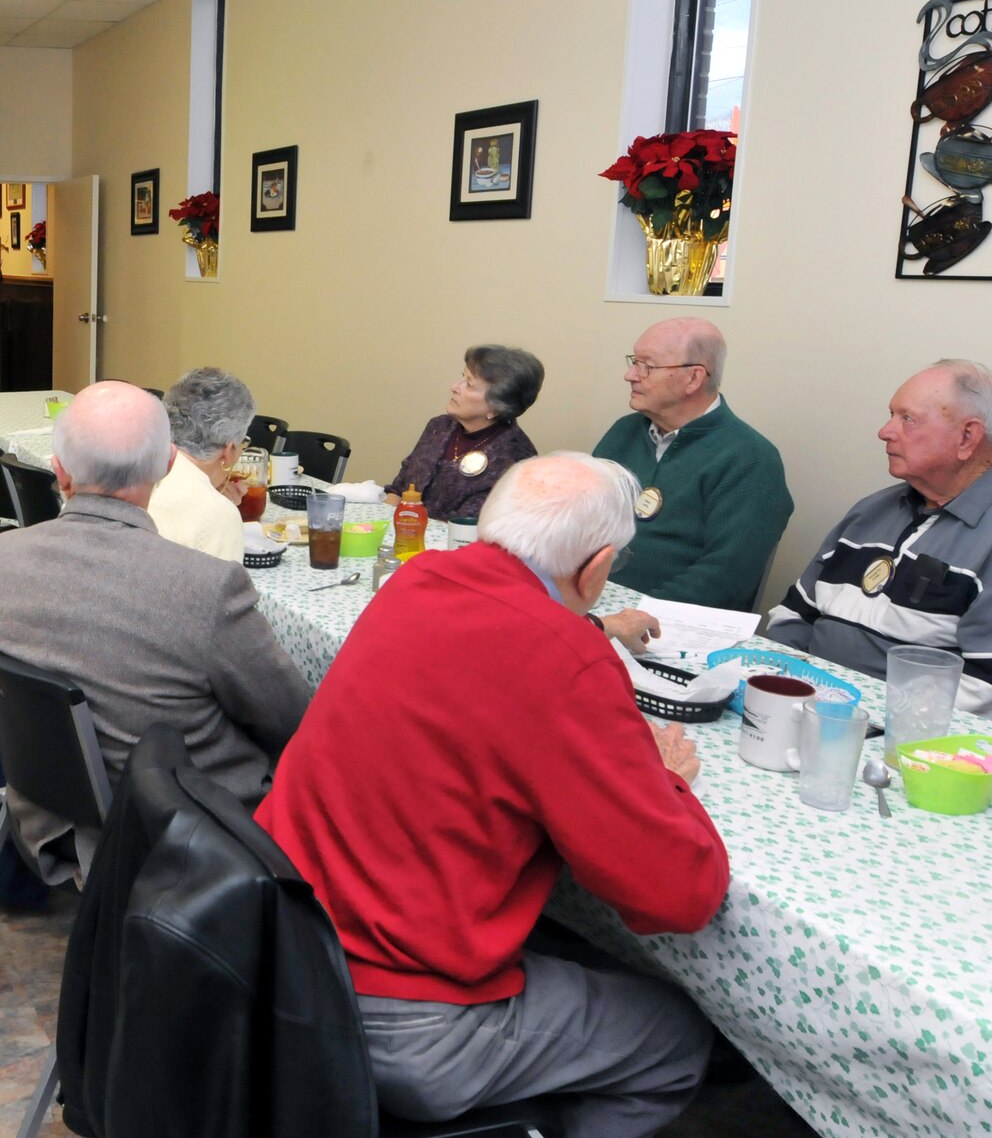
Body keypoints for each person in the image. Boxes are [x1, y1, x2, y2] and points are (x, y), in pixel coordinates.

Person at [256, 453, 729, 1137]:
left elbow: (500, 650)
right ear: (597, 567)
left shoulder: (416, 578)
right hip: (405, 1017)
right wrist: (666, 779)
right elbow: (678, 895)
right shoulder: (568, 661)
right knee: (676, 1038)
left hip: (285, 953)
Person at [0, 382, 311, 881]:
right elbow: (290, 717)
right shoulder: (206, 587)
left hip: (47, 807)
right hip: (182, 825)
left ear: (58, 469)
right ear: (169, 464)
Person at [767, 360, 992, 728]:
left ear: (966, 438)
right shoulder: (872, 511)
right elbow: (794, 616)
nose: (884, 432)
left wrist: (855, 724)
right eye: (890, 416)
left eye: (907, 419)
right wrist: (787, 695)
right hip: (804, 714)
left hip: (905, 747)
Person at [592, 317, 793, 612]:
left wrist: (635, 616)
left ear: (694, 378)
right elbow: (578, 523)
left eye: (646, 365)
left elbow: (726, 578)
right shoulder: (624, 432)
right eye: (633, 362)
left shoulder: (750, 458)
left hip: (665, 627)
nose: (630, 375)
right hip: (587, 602)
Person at [384, 345, 543, 521]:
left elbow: (472, 527)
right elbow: (400, 487)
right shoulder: (439, 427)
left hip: (455, 545)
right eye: (462, 377)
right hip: (404, 537)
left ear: (496, 406)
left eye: (468, 384)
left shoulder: (515, 459)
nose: (454, 387)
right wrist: (382, 523)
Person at [146, 367, 254, 560]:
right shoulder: (218, 514)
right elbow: (225, 588)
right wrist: (217, 505)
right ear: (228, 451)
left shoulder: (136, 468)